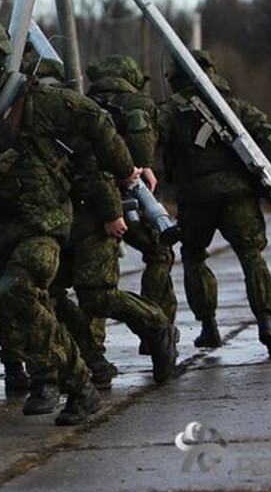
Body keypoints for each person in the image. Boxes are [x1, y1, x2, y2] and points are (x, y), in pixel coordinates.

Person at [0, 14, 140, 426]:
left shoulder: (35, 99)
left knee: (18, 291)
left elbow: (96, 120)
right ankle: (49, 379)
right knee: (23, 306)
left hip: (42, 219)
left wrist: (126, 169)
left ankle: (79, 385)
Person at [44, 52, 180, 391]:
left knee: (96, 297)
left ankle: (156, 325)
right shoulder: (43, 115)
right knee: (52, 295)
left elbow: (95, 164)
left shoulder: (81, 113)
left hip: (94, 215)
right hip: (60, 217)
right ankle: (93, 361)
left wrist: (110, 213)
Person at [157, 49, 271, 357]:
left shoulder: (173, 111)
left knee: (193, 257)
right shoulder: (236, 108)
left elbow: (152, 135)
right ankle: (267, 321)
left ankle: (208, 326)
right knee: (251, 255)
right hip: (238, 195)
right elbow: (267, 135)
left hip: (196, 198)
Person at [84, 54, 178, 350]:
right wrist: (143, 164)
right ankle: (156, 329)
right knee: (160, 253)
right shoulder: (141, 105)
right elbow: (154, 136)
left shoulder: (79, 104)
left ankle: (94, 353)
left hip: (86, 201)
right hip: (132, 195)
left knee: (95, 281)